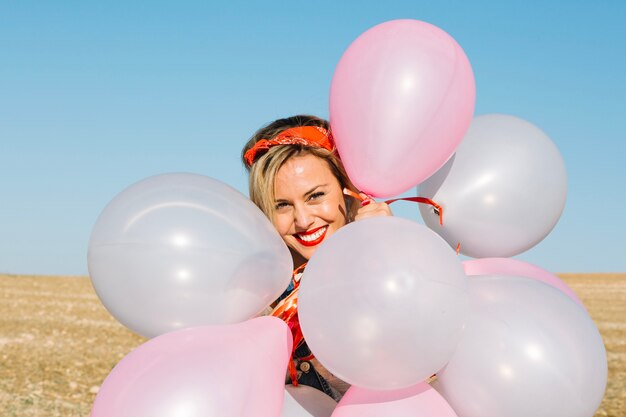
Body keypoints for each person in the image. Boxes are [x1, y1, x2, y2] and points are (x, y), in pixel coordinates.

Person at [242, 115, 392, 400]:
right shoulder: (253, 304)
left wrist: (385, 254)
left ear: (348, 190)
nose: (303, 219)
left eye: (315, 196)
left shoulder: (400, 272)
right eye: (282, 205)